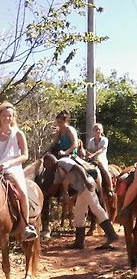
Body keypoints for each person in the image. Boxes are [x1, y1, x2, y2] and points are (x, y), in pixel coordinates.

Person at [43, 153, 119, 250]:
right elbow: (54, 188)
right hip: (82, 189)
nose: (45, 167)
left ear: (50, 161)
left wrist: (86, 181)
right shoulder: (58, 171)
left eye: (46, 164)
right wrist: (41, 194)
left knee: (96, 208)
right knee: (79, 212)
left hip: (86, 185)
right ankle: (79, 242)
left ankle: (111, 234)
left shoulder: (63, 162)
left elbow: (78, 168)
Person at [0, 101, 38, 241]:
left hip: (13, 167)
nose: (7, 118)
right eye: (4, 115)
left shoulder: (18, 133)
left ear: (13, 117)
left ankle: (25, 227)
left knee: (22, 193)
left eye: (9, 116)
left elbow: (25, 155)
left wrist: (9, 162)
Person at [86, 123, 113, 195]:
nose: (97, 131)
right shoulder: (91, 140)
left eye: (99, 129)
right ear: (93, 131)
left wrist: (92, 155)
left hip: (101, 158)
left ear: (102, 131)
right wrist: (88, 155)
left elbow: (101, 150)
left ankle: (110, 188)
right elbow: (89, 150)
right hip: (92, 159)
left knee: (104, 170)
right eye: (96, 129)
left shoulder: (104, 140)